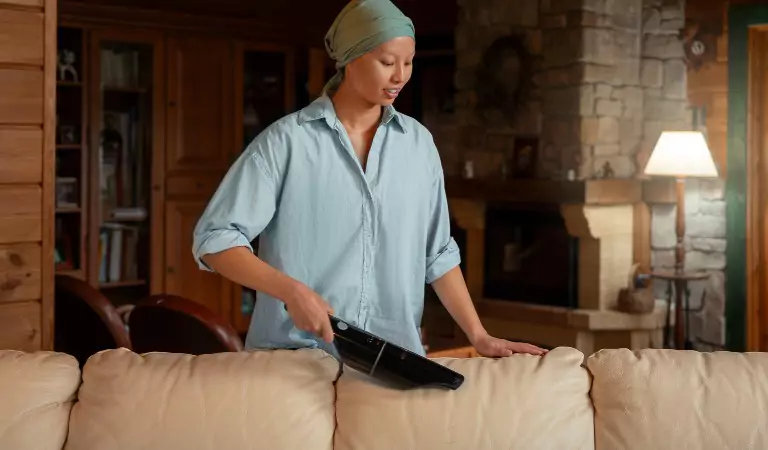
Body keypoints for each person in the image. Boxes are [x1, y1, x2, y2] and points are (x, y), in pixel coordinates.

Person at [192, 0, 546, 358]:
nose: (400, 76)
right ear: (349, 58)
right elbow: (216, 238)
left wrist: (479, 336)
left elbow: (437, 253)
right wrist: (290, 290)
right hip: (295, 360)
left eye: (408, 63)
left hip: (391, 361)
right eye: (387, 62)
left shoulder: (418, 144)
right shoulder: (286, 142)